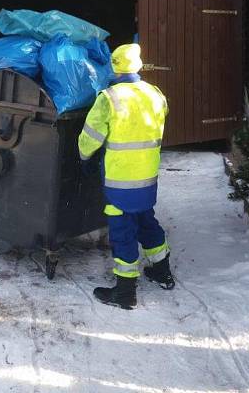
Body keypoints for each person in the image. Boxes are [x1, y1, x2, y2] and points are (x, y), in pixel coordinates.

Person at [78, 43, 174, 310]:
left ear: (114, 66)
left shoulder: (109, 98)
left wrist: (84, 158)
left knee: (122, 233)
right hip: (147, 176)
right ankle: (162, 271)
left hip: (119, 181)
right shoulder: (155, 94)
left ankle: (125, 292)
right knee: (146, 220)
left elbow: (90, 138)